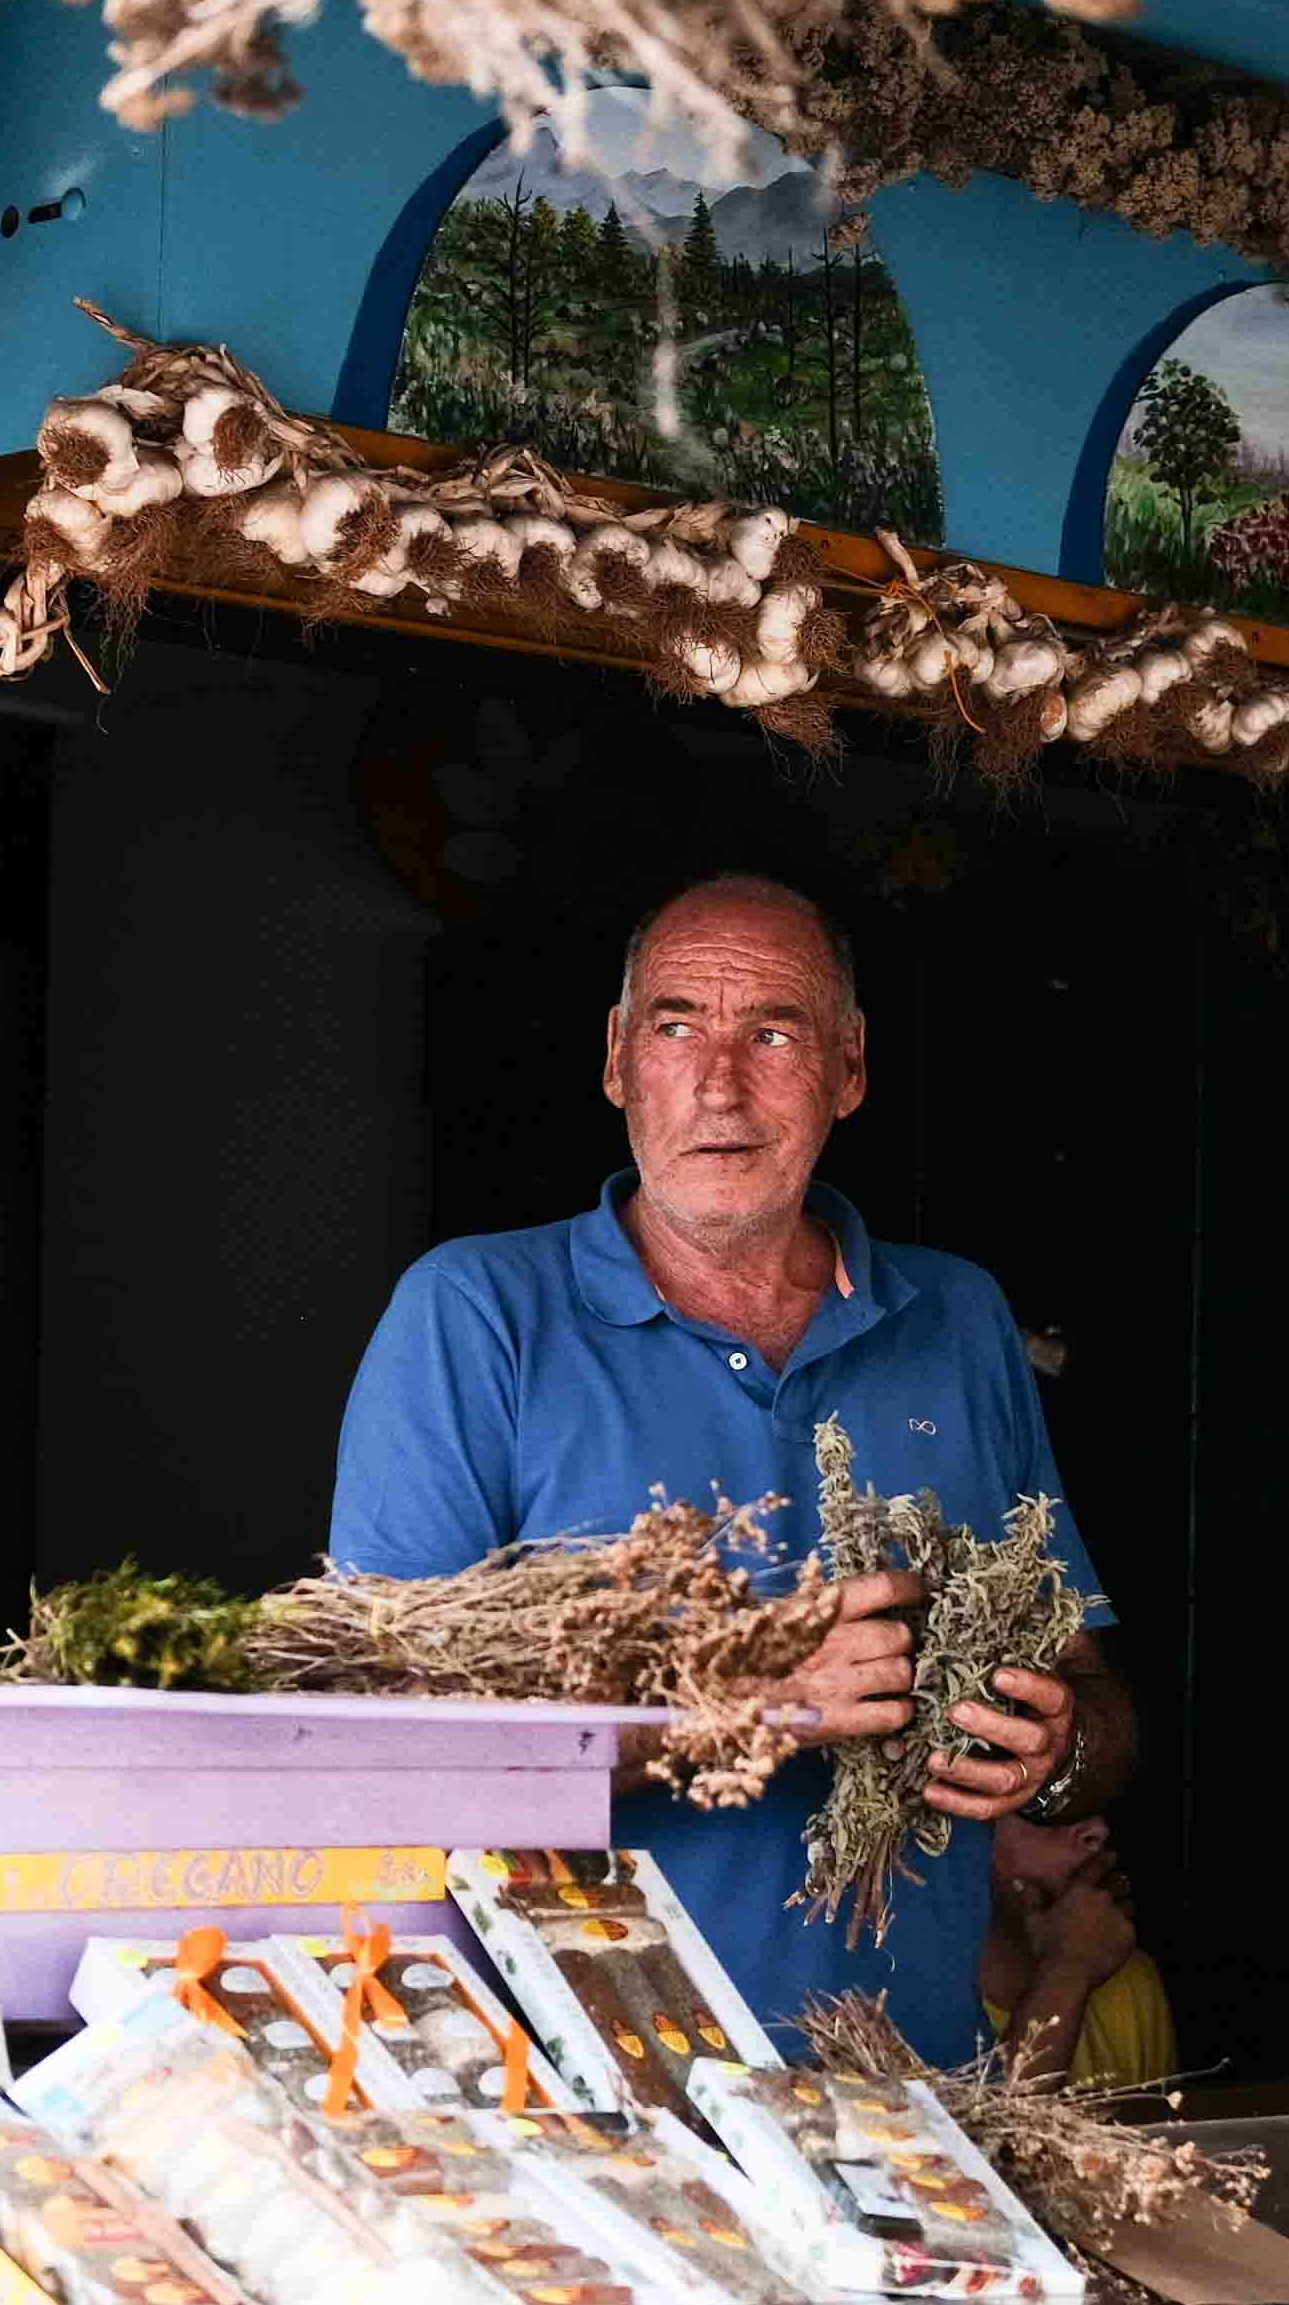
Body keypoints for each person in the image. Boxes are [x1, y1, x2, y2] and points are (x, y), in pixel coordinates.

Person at [331, 874, 1137, 2062]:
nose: (719, 1084)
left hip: (918, 2098)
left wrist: (1061, 1753)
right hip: (582, 2100)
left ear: (848, 1069)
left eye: (773, 1031)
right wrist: (749, 1706)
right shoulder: (474, 1315)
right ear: (616, 1061)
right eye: (675, 1028)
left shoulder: (958, 1319)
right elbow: (380, 1743)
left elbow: (1094, 1688)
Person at [981, 1812, 1178, 2091]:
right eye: (1048, 1801)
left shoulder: (1132, 1985)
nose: (1099, 1829)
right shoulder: (912, 2000)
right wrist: (1068, 1969)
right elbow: (988, 2130)